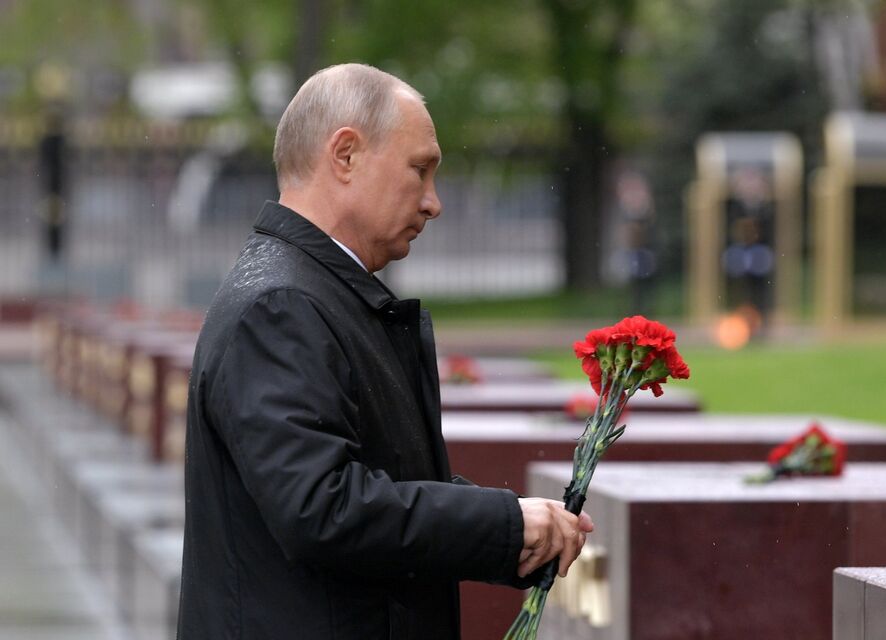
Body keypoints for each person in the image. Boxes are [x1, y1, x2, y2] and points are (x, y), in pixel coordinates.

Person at [178, 63, 593, 639]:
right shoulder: (280, 305)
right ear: (344, 155)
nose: (433, 202)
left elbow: (379, 480)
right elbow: (321, 509)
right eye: (420, 171)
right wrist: (502, 524)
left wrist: (515, 532)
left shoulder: (316, 291)